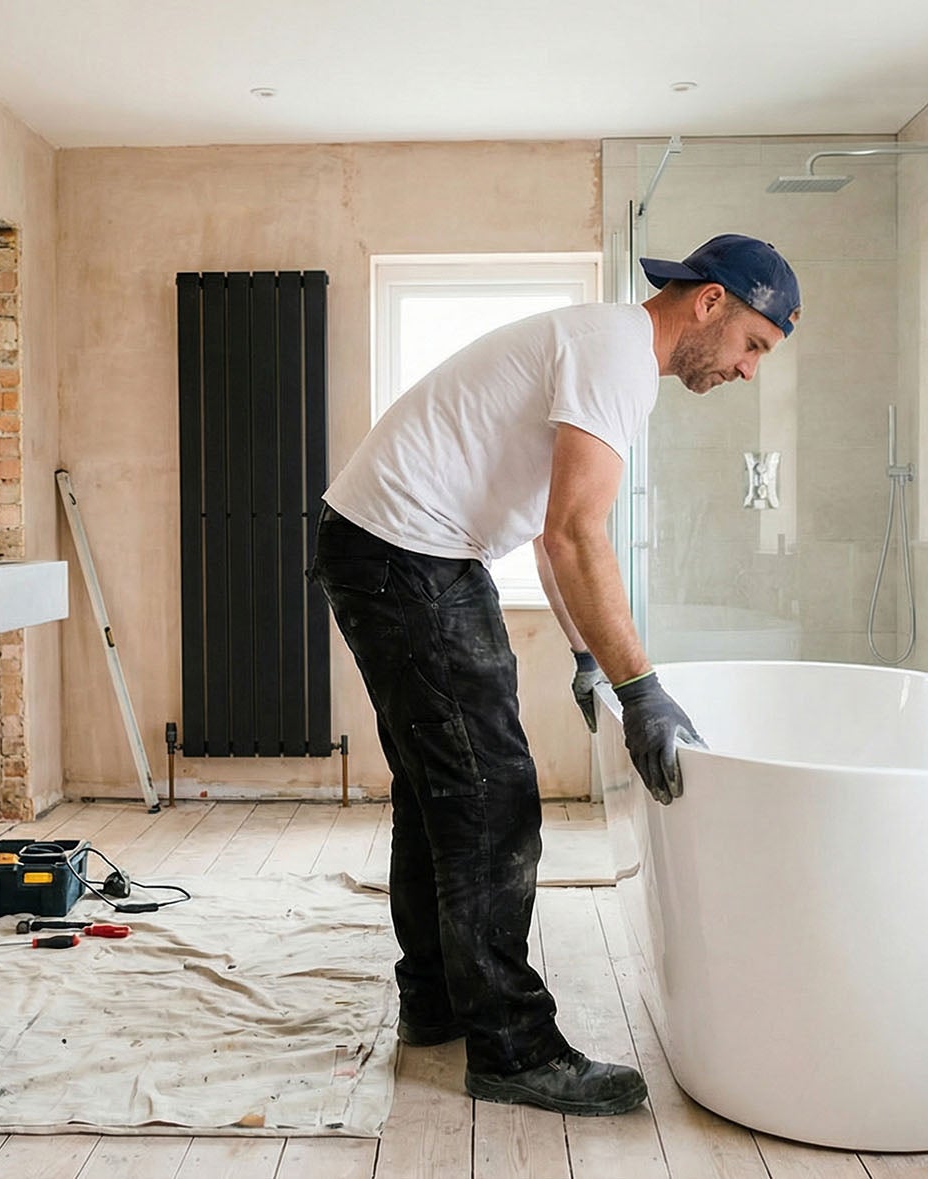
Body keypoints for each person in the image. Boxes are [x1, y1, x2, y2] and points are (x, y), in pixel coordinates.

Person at [310, 234, 801, 1115]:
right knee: (493, 797)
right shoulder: (618, 353)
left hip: (395, 547)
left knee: (441, 789)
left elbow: (550, 534)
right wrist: (640, 686)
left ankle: (437, 1000)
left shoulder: (607, 349)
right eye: (755, 345)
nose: (749, 370)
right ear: (712, 302)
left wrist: (585, 657)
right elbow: (579, 533)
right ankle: (512, 1046)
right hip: (406, 553)